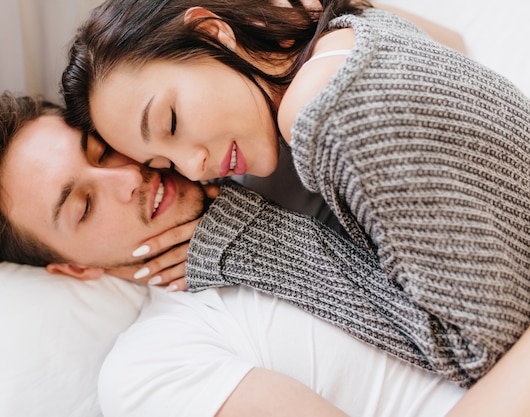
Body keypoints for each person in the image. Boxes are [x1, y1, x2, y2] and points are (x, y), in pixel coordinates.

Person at [0, 92, 530, 417]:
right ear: (75, 267)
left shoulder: (261, 153)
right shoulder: (152, 367)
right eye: (85, 205)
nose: (126, 181)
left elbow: (439, 53)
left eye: (102, 150)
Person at [60, 0, 530, 386]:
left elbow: (478, 351)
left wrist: (258, 243)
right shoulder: (350, 28)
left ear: (211, 33)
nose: (193, 166)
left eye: (171, 122)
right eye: (163, 163)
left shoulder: (320, 116)